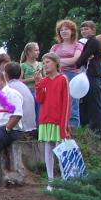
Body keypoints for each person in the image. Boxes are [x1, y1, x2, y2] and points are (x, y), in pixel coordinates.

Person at [35, 53, 71, 190]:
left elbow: (66, 102)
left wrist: (64, 124)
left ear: (56, 63)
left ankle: (64, 180)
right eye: (44, 63)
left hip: (58, 120)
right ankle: (51, 181)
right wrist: (38, 85)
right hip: (46, 118)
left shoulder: (62, 79)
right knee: (48, 148)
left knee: (60, 149)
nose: (45, 65)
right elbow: (40, 100)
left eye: (48, 62)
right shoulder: (44, 81)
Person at [74, 20, 101, 136]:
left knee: (94, 106)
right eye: (82, 29)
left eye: (86, 29)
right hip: (88, 76)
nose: (83, 31)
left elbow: (80, 61)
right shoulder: (88, 42)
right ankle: (89, 132)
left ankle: (97, 134)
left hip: (93, 75)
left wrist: (82, 59)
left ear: (93, 30)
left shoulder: (93, 42)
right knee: (87, 105)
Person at [51, 19, 83, 129]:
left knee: (73, 103)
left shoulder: (78, 45)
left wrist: (57, 62)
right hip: (57, 76)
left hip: (72, 76)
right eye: (61, 30)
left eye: (66, 29)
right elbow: (48, 61)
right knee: (58, 102)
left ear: (72, 31)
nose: (64, 32)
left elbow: (75, 60)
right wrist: (61, 62)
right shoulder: (55, 47)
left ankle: (74, 130)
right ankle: (60, 129)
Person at [5, 62, 37, 134]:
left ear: (6, 74)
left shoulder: (9, 88)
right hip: (32, 127)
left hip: (22, 129)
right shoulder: (24, 86)